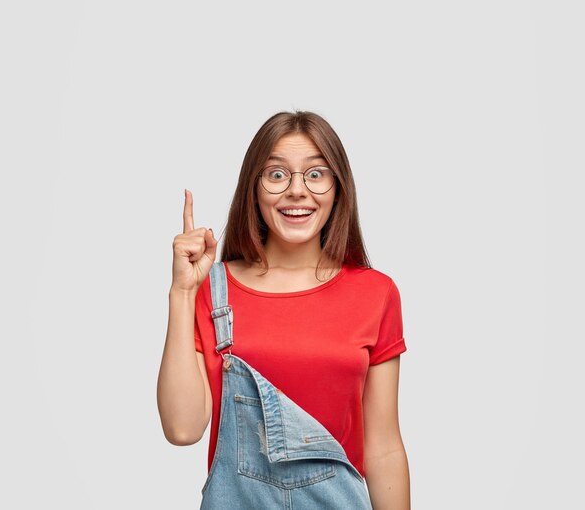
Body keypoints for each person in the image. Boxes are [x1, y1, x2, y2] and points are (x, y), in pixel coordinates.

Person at [157, 110, 411, 509]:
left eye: (316, 174)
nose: (297, 190)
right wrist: (181, 292)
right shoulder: (212, 290)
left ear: (338, 188)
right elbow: (182, 428)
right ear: (253, 189)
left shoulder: (376, 294)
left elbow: (383, 449)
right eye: (277, 175)